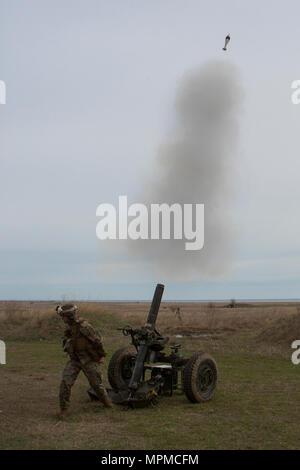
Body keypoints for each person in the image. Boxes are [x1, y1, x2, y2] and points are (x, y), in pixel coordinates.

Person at [56, 303, 113, 419]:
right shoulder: (69, 328)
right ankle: (64, 409)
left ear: (70, 316)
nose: (62, 319)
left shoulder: (85, 327)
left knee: (97, 385)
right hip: (75, 360)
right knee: (65, 384)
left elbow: (97, 342)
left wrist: (101, 356)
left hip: (89, 360)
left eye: (64, 316)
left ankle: (107, 403)